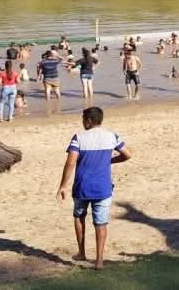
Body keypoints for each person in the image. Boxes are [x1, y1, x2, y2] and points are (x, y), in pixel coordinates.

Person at [56, 107, 132, 270]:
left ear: (89, 121)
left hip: (82, 187)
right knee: (101, 223)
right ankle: (99, 261)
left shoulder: (79, 138)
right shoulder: (112, 136)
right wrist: (111, 161)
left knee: (79, 217)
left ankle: (82, 253)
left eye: (83, 119)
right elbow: (127, 154)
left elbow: (71, 162)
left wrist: (63, 185)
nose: (82, 122)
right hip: (103, 188)